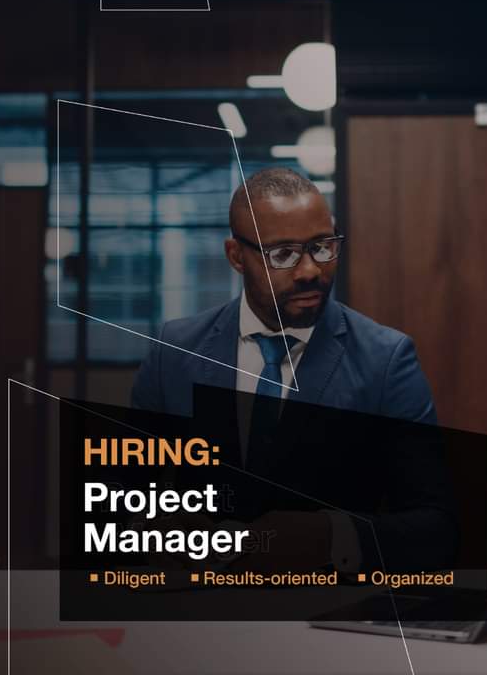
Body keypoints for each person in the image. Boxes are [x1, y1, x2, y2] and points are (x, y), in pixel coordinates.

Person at [132, 167, 457, 573]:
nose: (310, 271)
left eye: (322, 246)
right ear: (236, 257)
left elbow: (436, 526)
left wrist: (333, 536)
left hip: (331, 600)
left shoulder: (385, 360)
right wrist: (152, 528)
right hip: (198, 597)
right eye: (282, 254)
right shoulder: (174, 353)